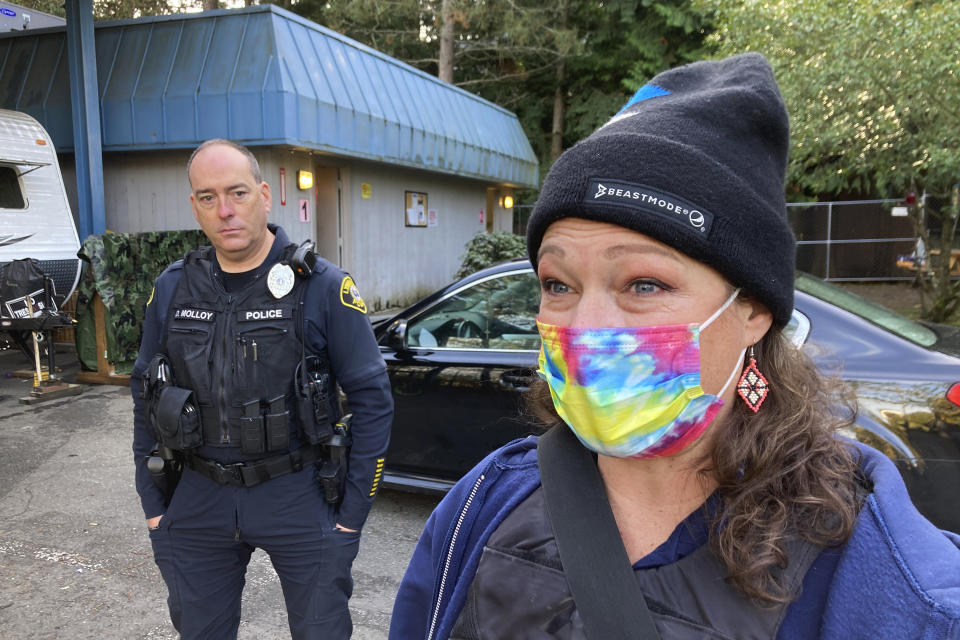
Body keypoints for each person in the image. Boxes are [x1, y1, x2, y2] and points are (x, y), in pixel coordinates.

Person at [388, 54, 960, 639]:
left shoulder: (880, 576)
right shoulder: (487, 500)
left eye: (644, 284)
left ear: (754, 312)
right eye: (558, 284)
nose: (586, 327)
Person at [131, 139, 393, 639]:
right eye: (208, 198)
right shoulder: (172, 288)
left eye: (238, 193)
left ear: (265, 195)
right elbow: (143, 393)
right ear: (194, 206)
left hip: (297, 492)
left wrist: (351, 516)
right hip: (198, 497)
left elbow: (373, 401)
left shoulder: (320, 286)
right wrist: (154, 506)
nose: (225, 211)